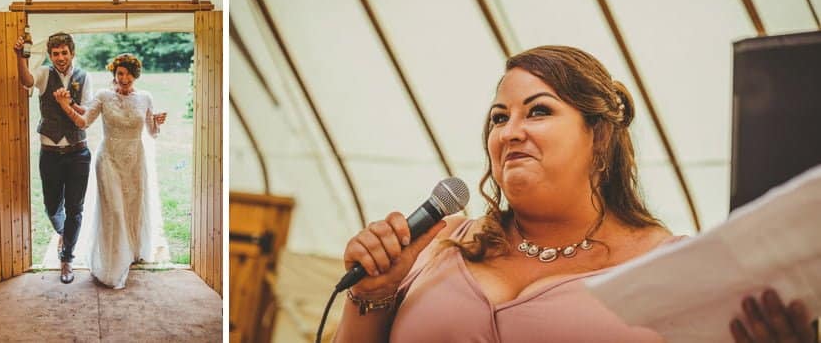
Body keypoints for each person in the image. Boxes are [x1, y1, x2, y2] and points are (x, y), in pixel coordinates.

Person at [333, 46, 815, 342]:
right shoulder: (437, 243)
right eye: (500, 117)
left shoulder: (672, 266)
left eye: (538, 111)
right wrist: (372, 294)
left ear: (599, 136)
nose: (510, 132)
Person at [53, 53, 170, 289]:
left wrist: (157, 121)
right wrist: (66, 106)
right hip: (108, 160)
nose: (123, 78)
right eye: (119, 74)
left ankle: (132, 249)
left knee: (132, 206)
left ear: (134, 75)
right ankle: (112, 263)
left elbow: (152, 132)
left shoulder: (145, 97)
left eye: (127, 74)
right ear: (114, 76)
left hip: (135, 160)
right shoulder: (104, 97)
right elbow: (84, 122)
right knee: (114, 210)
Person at [14, 32, 93, 284]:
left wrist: (65, 106)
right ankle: (64, 233)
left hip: (78, 152)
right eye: (55, 53)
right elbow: (26, 80)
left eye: (64, 53)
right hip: (50, 153)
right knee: (51, 206)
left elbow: (86, 113)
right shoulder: (44, 73)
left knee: (75, 209)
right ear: (50, 55)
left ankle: (66, 258)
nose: (60, 58)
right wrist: (20, 57)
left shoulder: (84, 77)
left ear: (72, 53)